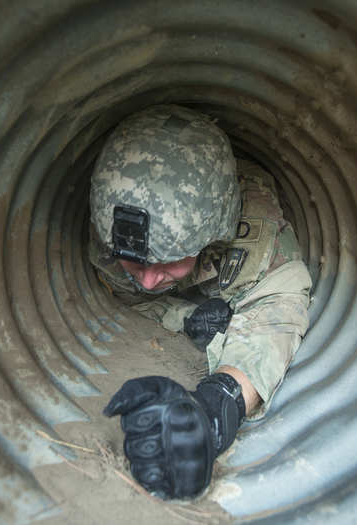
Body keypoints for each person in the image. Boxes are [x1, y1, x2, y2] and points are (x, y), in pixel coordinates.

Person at [89, 105, 312, 499]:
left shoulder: (252, 231)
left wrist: (217, 406)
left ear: (214, 237)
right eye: (135, 263)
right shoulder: (111, 231)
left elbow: (280, 305)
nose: (148, 279)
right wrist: (185, 316)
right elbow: (125, 296)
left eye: (166, 263)